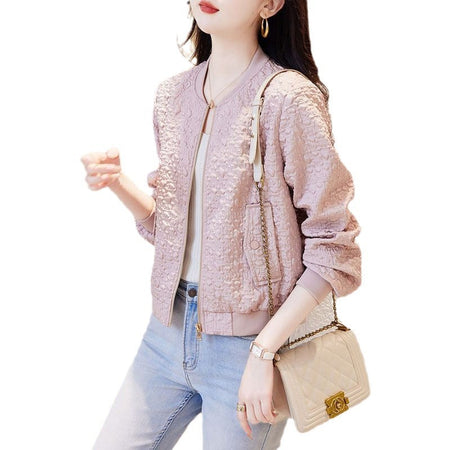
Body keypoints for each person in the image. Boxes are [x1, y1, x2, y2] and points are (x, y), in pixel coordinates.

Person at [80, 1, 362, 448]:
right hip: (165, 333)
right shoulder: (173, 96)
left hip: (248, 348)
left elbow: (334, 246)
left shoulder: (289, 99)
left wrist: (264, 352)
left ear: (270, 4)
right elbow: (173, 233)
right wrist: (118, 183)